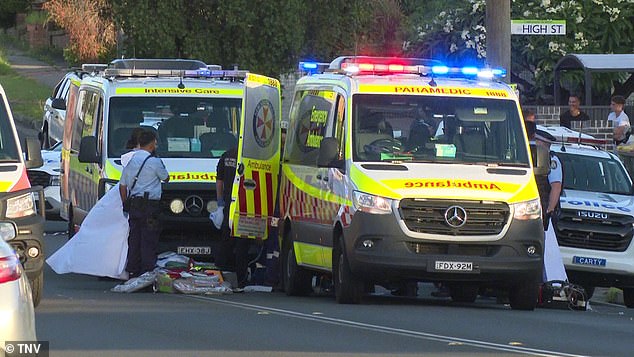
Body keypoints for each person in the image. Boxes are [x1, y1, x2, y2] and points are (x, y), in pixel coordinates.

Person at [46, 129, 145, 280]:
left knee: (111, 236)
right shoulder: (136, 157)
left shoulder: (133, 157)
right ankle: (116, 267)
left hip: (119, 203)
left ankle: (117, 267)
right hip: (124, 203)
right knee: (116, 237)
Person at [120, 131, 169, 278]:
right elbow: (166, 178)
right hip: (150, 206)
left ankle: (133, 269)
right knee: (148, 239)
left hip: (135, 205)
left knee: (134, 238)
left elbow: (122, 186)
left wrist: (125, 204)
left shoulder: (131, 161)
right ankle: (147, 272)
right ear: (153, 143)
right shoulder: (154, 162)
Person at [213, 145, 253, 289]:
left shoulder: (227, 155)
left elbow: (219, 181)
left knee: (226, 240)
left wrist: (220, 203)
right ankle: (241, 279)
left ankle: (220, 274)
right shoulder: (252, 157)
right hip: (247, 204)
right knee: (242, 243)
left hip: (230, 203)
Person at [533, 129, 568, 282]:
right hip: (534, 208)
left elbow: (555, 186)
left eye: (536, 142)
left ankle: (545, 283)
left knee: (545, 252)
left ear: (543, 144)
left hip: (545, 210)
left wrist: (549, 210)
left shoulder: (551, 160)